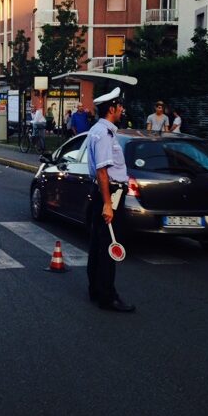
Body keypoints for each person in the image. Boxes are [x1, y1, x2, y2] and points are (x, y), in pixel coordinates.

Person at [85, 87, 136, 313]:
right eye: (120, 106)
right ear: (112, 109)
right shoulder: (104, 134)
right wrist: (108, 203)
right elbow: (103, 171)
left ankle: (95, 289)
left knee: (98, 242)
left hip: (102, 192)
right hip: (110, 193)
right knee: (109, 246)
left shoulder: (97, 130)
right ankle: (108, 296)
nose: (122, 110)